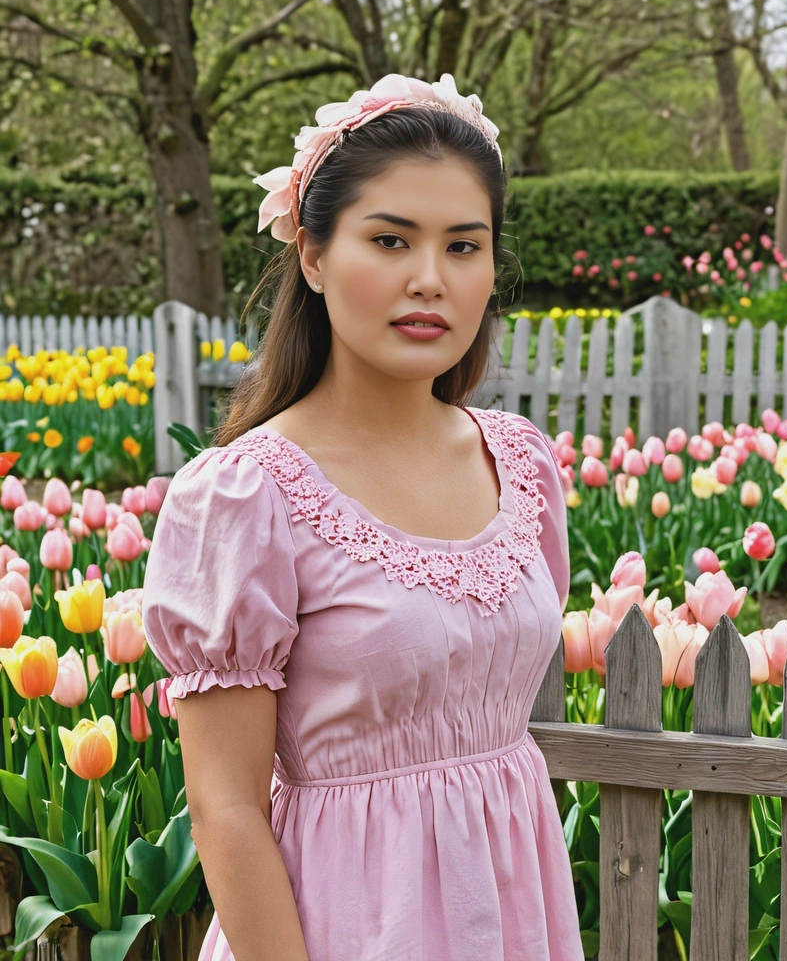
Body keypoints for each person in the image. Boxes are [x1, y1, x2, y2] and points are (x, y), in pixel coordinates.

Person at [140, 73, 584, 961]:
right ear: (311, 255)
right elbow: (225, 812)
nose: (430, 279)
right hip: (339, 928)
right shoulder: (246, 498)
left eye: (465, 246)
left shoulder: (521, 463)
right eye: (390, 240)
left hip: (513, 917)